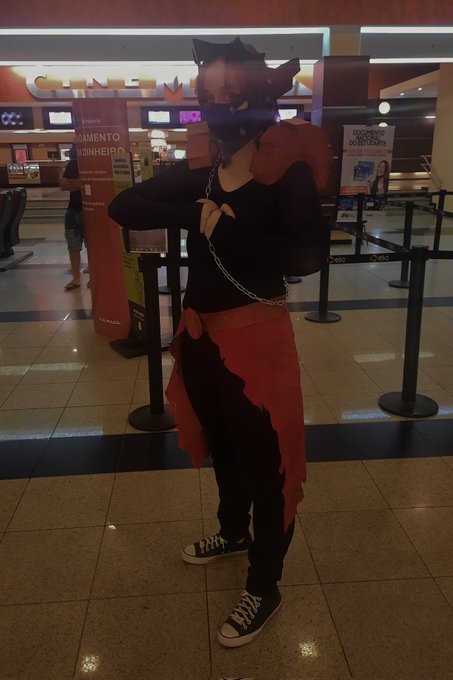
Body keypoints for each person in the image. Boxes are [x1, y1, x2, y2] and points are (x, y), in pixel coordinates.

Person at [108, 37, 330, 648]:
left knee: (268, 467)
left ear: (259, 95)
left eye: (230, 96)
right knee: (226, 451)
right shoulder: (205, 171)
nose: (219, 108)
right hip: (200, 339)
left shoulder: (285, 168)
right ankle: (232, 532)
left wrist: (226, 234)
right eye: (209, 96)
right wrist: (195, 214)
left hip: (257, 341)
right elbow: (124, 206)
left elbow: (306, 257)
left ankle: (265, 583)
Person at [59, 145, 86, 290]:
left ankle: (93, 277)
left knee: (92, 246)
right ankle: (76, 279)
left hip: (89, 210)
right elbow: (63, 185)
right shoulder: (73, 164)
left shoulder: (91, 163)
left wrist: (72, 182)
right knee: (72, 246)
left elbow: (83, 184)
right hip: (73, 210)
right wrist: (76, 184)